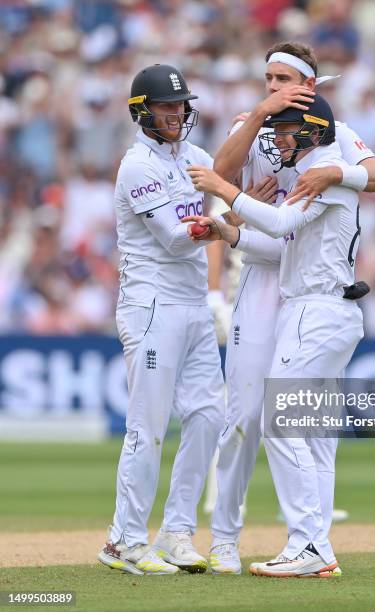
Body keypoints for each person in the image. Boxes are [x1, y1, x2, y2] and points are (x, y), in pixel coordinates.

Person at [206, 41, 375, 575]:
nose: (272, 88)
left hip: (306, 284)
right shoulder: (260, 125)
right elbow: (229, 174)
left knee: (301, 421)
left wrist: (335, 174)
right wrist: (232, 227)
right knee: (247, 413)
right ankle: (227, 538)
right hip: (276, 272)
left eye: (282, 78)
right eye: (267, 78)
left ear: (310, 89)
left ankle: (310, 542)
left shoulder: (330, 139)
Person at [185, 93, 365, 577]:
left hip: (318, 309)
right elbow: (284, 242)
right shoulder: (320, 169)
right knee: (291, 424)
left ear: (311, 131)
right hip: (313, 308)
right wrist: (231, 233)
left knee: (280, 421)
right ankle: (311, 544)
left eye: (287, 132)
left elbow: (283, 220)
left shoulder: (323, 169)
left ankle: (311, 545)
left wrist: (224, 188)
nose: (279, 141)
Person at [97, 64, 226, 576]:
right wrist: (230, 220)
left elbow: (230, 182)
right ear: (141, 112)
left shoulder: (195, 158)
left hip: (193, 305)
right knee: (147, 426)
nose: (177, 114)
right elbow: (175, 239)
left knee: (209, 416)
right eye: (166, 106)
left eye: (181, 105)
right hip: (151, 307)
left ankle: (176, 532)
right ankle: (124, 541)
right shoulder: (137, 166)